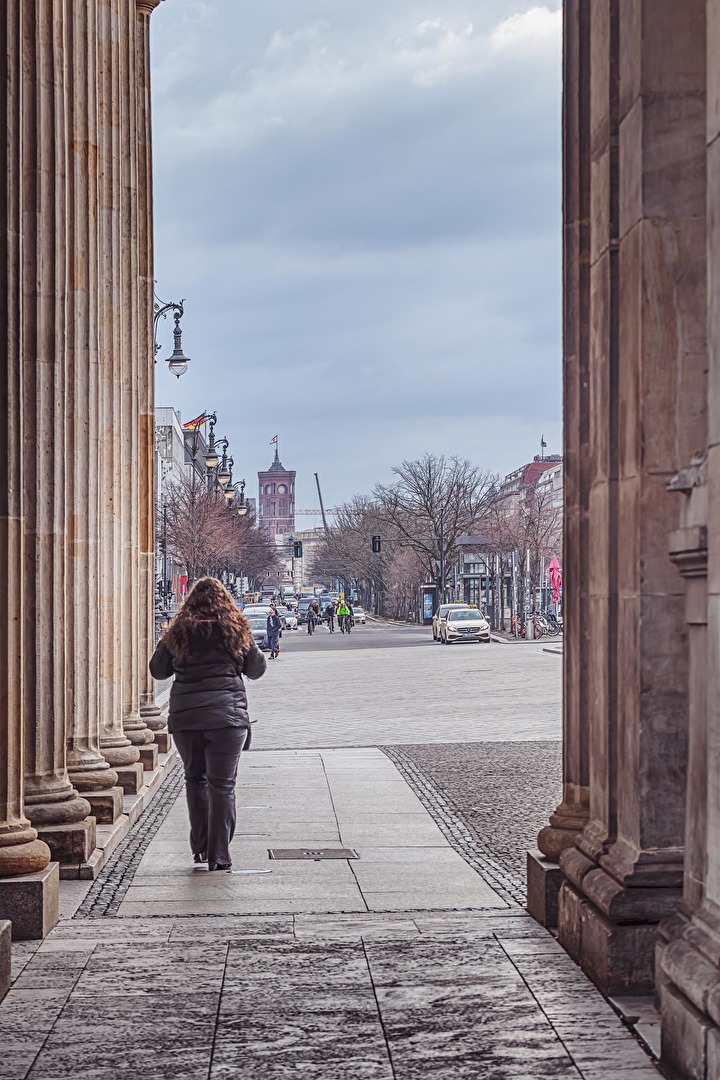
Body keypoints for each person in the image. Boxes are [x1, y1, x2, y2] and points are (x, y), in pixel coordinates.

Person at [149, 576, 266, 872]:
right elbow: (256, 669)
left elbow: (158, 671)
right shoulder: (236, 629)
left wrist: (172, 644)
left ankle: (200, 847)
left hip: (188, 718)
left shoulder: (178, 631)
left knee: (195, 779)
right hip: (227, 718)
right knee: (223, 786)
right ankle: (220, 854)